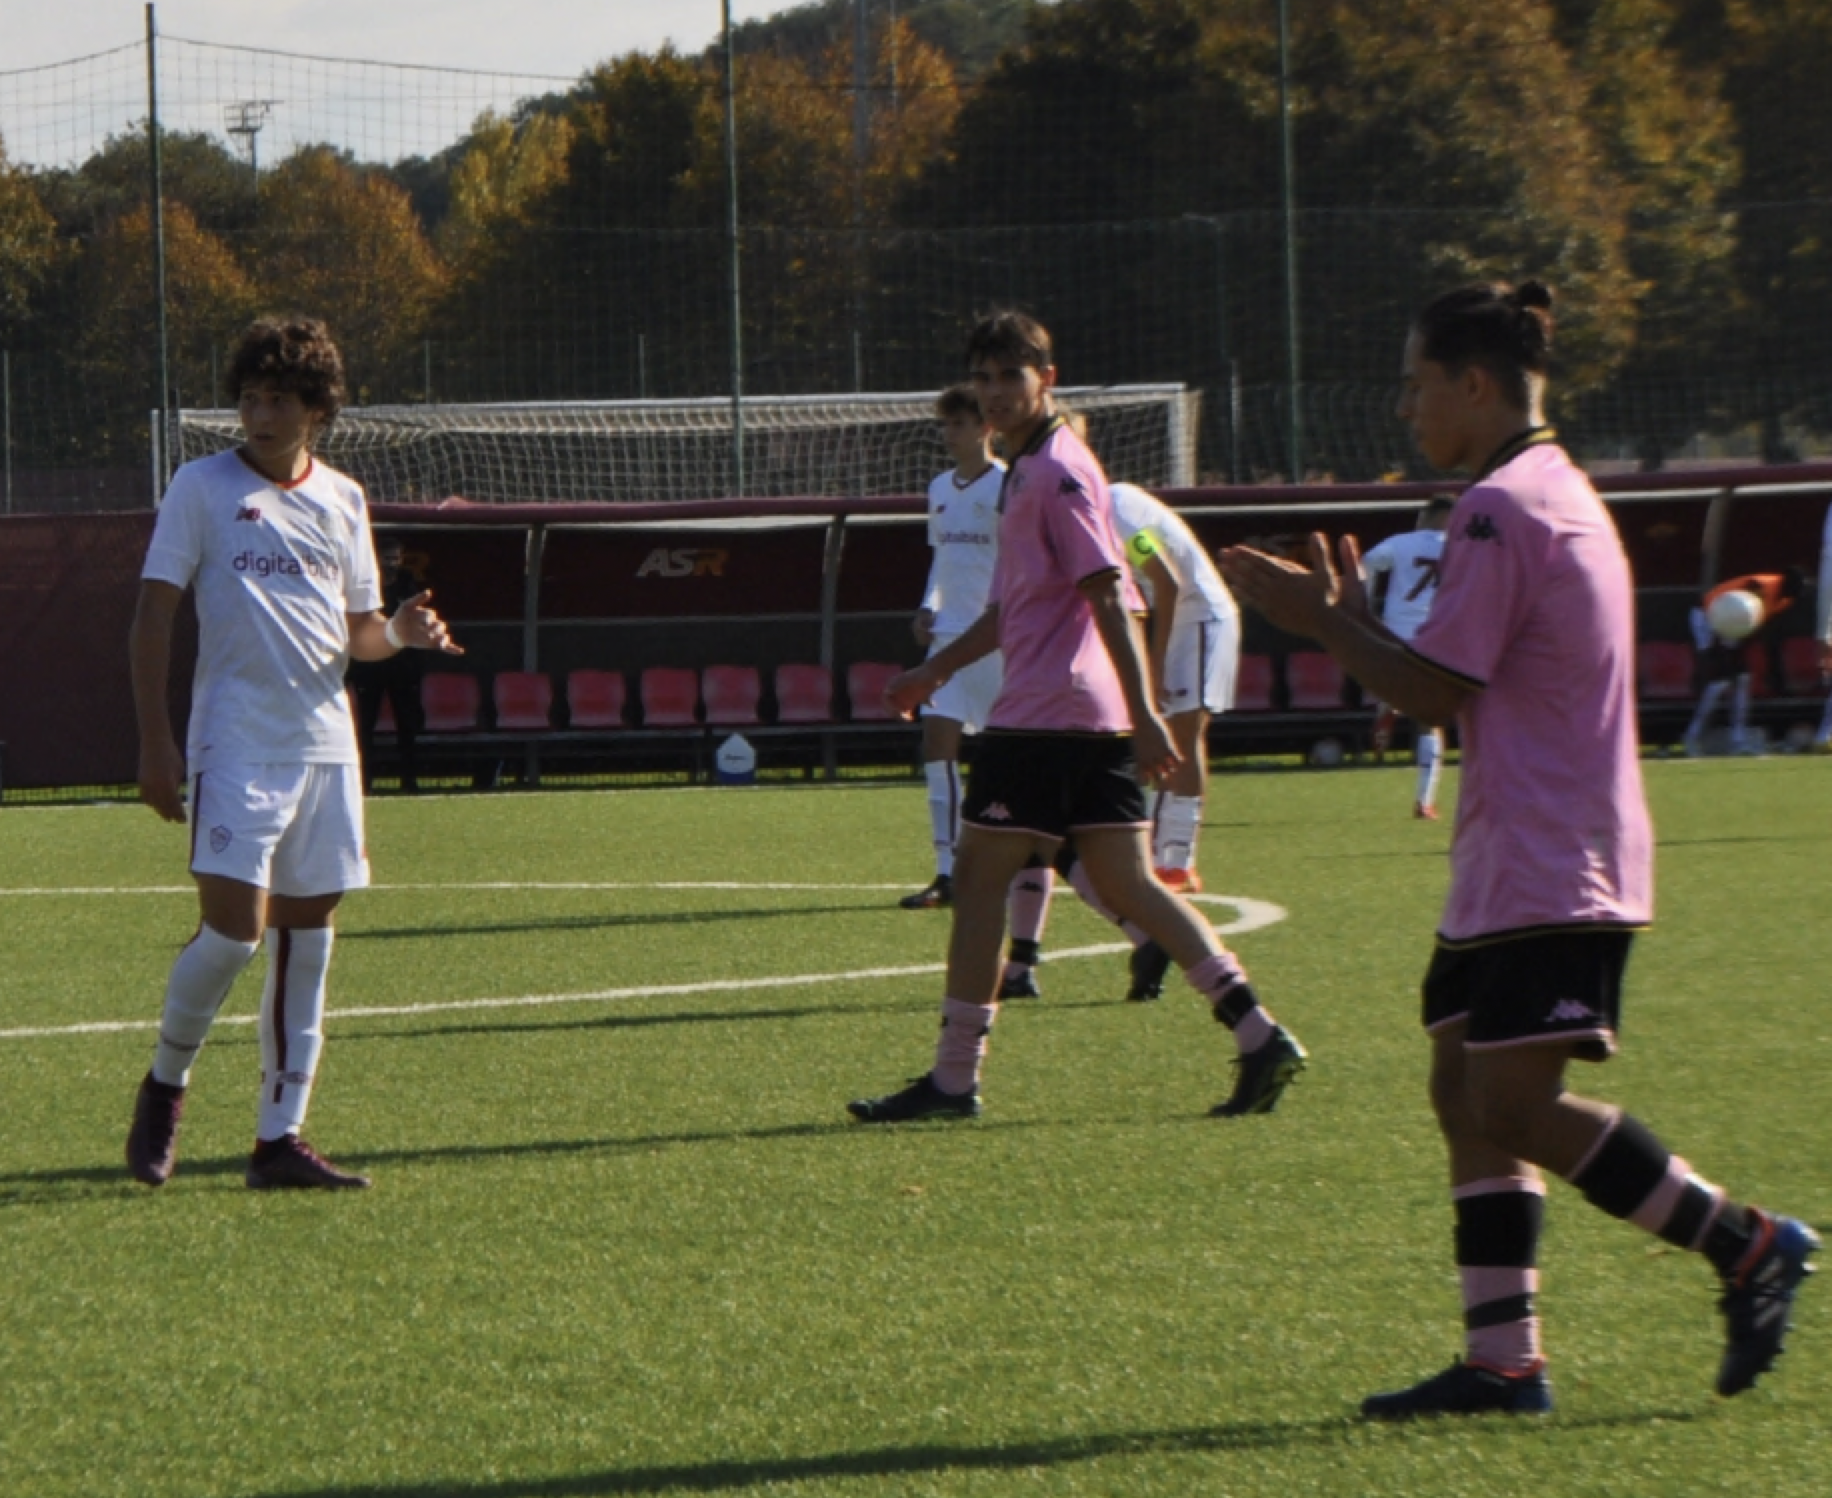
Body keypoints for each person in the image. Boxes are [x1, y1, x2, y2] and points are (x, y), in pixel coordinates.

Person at [1220, 279, 1815, 1418]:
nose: (1403, 406)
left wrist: (1318, 622)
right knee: (1460, 1085)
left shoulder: (1498, 508)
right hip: (1518, 845)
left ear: (1472, 383)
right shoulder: (1543, 491)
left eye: (1414, 384)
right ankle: (1502, 1362)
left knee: (1509, 1102)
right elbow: (1457, 673)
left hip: (1551, 854)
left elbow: (1438, 696)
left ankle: (1746, 1243)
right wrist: (1355, 623)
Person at [847, 310, 1306, 1124]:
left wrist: (1149, 714)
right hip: (1071, 710)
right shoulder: (1027, 469)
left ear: (1046, 380)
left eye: (1008, 377)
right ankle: (1257, 1032)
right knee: (1131, 884)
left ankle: (954, 1080)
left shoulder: (1056, 473)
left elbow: (1111, 596)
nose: (992, 395)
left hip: (1047, 714)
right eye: (982, 379)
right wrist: (935, 669)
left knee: (980, 883)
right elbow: (1014, 606)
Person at [125, 315, 462, 1191]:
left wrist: (400, 630)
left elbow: (359, 635)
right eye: (248, 397)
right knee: (235, 938)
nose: (259, 413)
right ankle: (166, 1083)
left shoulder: (343, 499)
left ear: (316, 408)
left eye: (278, 398)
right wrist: (155, 742)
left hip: (326, 748)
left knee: (308, 941)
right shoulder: (199, 487)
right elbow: (153, 616)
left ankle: (280, 1138)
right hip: (235, 745)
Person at [998, 477, 1244, 1003]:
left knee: (1181, 732)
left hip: (1199, 615)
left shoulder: (1117, 512)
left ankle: (1176, 854)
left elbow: (1167, 583)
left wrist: (1149, 673)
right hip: (1167, 619)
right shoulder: (1076, 513)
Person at [900, 385, 1006, 911]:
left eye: (959, 424)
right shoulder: (940, 486)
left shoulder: (1009, 486)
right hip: (947, 640)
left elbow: (1019, 563)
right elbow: (941, 557)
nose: (950, 434)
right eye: (945, 425)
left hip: (997, 640)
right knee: (936, 743)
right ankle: (948, 870)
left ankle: (1035, 861)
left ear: (986, 427)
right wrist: (928, 604)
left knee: (1010, 756)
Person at [1359, 496, 1453, 818]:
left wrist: (1367, 602)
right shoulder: (1461, 547)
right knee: (1430, 721)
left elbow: (1366, 562)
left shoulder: (1400, 542)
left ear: (1425, 517)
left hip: (1396, 631)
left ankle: (1389, 704)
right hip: (1438, 634)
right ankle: (1424, 801)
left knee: (1398, 682)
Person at [1682, 570, 1801, 756]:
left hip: (1733, 625)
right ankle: (1692, 736)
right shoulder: (1760, 586)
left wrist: (1741, 653)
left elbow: (1755, 624)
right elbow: (1737, 610)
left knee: (1743, 678)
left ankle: (1737, 739)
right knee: (1719, 681)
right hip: (1708, 615)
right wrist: (1721, 649)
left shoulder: (1784, 598)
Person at [346, 533, 426, 793]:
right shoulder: (367, 583)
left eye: (395, 558)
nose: (391, 564)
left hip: (401, 666)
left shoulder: (406, 582)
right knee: (366, 725)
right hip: (370, 665)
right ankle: (365, 782)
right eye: (387, 558)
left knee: (407, 724)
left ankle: (410, 781)